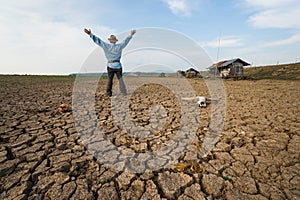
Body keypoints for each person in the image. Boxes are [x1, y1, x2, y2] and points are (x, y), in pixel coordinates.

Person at [84, 28, 136, 97]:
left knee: (110, 80)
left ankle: (109, 93)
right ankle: (124, 92)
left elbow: (98, 41)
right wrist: (131, 35)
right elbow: (125, 41)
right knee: (120, 80)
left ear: (110, 41)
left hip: (110, 66)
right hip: (118, 66)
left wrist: (90, 34)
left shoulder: (106, 46)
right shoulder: (119, 46)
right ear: (115, 41)